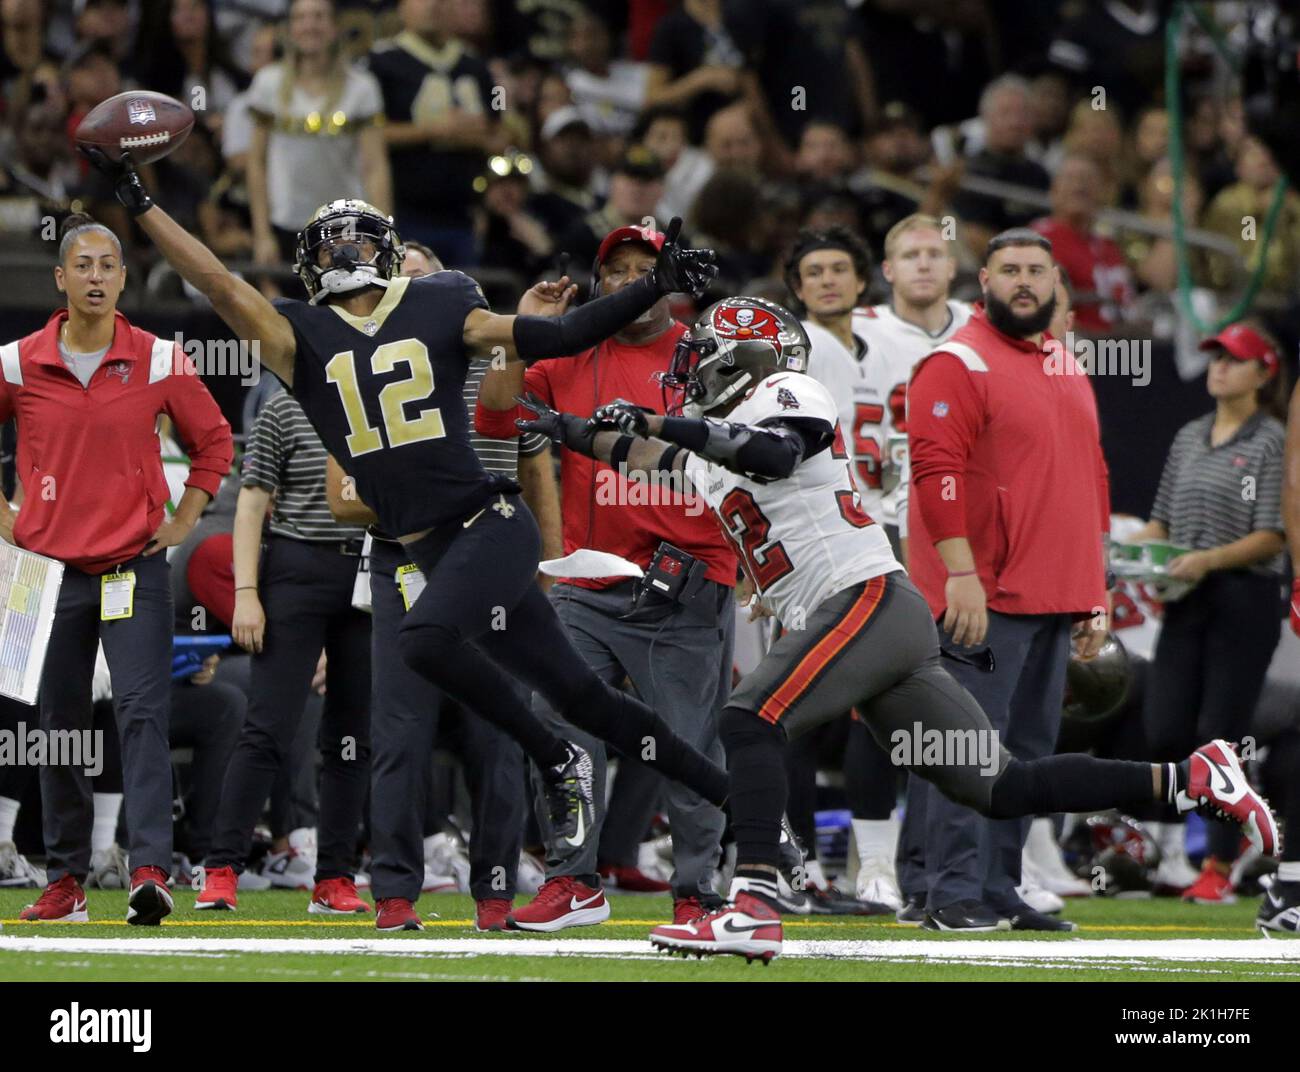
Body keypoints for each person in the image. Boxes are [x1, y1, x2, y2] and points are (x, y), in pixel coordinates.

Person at [517, 294, 1278, 962]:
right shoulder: (709, 444)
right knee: (999, 784)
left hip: (863, 598)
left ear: (741, 357)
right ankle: (1192, 778)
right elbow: (645, 451)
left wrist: (661, 419)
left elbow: (775, 454)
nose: (687, 369)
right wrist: (564, 427)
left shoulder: (784, 391)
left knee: (748, 718)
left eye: (702, 354)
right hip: (874, 621)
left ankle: (751, 903)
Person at [82, 149, 731, 929]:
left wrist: (656, 287)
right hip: (418, 548)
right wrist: (142, 204)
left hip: (489, 525)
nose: (347, 255)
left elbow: (551, 337)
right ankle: (752, 808)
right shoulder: (299, 336)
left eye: (359, 241)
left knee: (425, 642)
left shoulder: (445, 299)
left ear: (388, 252)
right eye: (331, 245)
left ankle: (554, 760)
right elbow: (218, 281)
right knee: (582, 696)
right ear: (308, 263)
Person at [476, 224, 736, 931]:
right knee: (558, 728)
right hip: (590, 583)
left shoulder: (707, 348)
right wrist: (521, 331)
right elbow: (497, 417)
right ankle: (573, 881)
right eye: (614, 271)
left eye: (641, 269)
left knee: (686, 745)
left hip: (683, 581)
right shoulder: (570, 349)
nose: (626, 281)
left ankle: (697, 894)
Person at [3, 213, 233, 924]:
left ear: (124, 280)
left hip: (134, 563)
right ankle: (65, 878)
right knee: (56, 724)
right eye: (85, 265)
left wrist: (185, 520)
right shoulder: (16, 361)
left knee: (140, 714)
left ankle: (151, 872)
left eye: (110, 266)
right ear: (62, 278)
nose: (97, 277)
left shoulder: (160, 358)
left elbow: (215, 441)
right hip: (43, 571)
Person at [326, 240, 558, 933]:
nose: (407, 291)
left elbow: (533, 464)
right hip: (405, 561)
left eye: (421, 280)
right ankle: (396, 892)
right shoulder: (360, 378)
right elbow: (343, 500)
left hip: (488, 564)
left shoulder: (485, 364)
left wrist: (546, 565)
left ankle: (494, 890)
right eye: (396, 280)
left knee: (499, 732)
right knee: (400, 730)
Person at [898, 228, 1114, 933]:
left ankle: (997, 888)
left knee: (1026, 754)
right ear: (984, 280)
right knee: (965, 746)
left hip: (1055, 592)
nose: (1025, 282)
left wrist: (1094, 588)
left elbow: (1091, 478)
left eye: (1037, 271)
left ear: (1056, 283)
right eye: (1011, 270)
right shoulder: (956, 361)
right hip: (983, 594)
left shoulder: (1064, 361)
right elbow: (937, 474)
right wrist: (960, 572)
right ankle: (948, 892)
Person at [193, 383, 374, 914]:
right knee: (268, 726)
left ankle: (335, 876)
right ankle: (222, 867)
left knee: (351, 737)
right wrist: (246, 593)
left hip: (368, 569)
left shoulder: (387, 397)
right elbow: (251, 500)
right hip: (297, 566)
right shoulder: (286, 403)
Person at [1125, 321, 1289, 905]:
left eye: (1234, 359)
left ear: (1263, 373)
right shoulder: (1190, 435)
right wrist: (1126, 552)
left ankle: (1221, 859)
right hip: (1187, 598)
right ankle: (1170, 854)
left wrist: (1207, 559)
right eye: (1214, 357)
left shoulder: (1273, 440)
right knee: (1166, 726)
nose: (1219, 368)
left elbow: (1273, 534)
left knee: (1219, 734)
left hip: (1243, 599)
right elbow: (1161, 519)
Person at [850, 214, 974, 916]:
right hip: (867, 534)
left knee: (972, 701)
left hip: (954, 539)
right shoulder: (851, 330)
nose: (924, 264)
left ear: (953, 266)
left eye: (936, 252)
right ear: (887, 269)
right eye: (909, 254)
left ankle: (998, 853)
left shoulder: (982, 337)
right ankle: (873, 865)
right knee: (878, 701)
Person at [247, 0, 392, 271]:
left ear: (335, 27)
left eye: (319, 17)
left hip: (345, 229)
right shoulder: (268, 83)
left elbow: (375, 167)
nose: (309, 25)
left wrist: (381, 234)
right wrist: (262, 234)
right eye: (300, 18)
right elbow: (256, 163)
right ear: (289, 29)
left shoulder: (362, 87)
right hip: (284, 225)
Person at [368, 0, 498, 266]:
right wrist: (433, 130)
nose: (431, 6)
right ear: (401, 8)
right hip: (406, 210)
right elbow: (370, 134)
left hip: (465, 213)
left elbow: (499, 113)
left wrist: (486, 124)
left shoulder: (476, 65)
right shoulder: (380, 63)